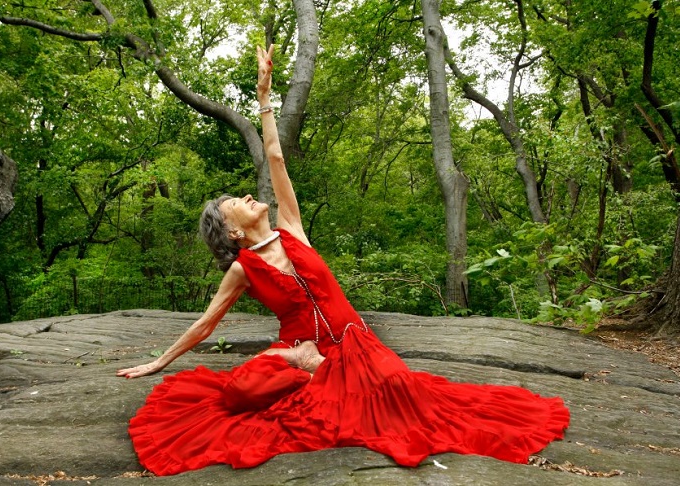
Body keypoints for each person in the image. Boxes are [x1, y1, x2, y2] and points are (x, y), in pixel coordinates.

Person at [117, 45, 570, 476]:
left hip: (354, 344)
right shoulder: (242, 269)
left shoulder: (291, 227)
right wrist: (160, 361)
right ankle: (300, 363)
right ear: (232, 232)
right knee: (237, 392)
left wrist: (264, 98)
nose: (250, 196)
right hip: (298, 350)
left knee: (396, 392)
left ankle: (315, 371)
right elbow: (206, 323)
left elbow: (275, 156)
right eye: (236, 200)